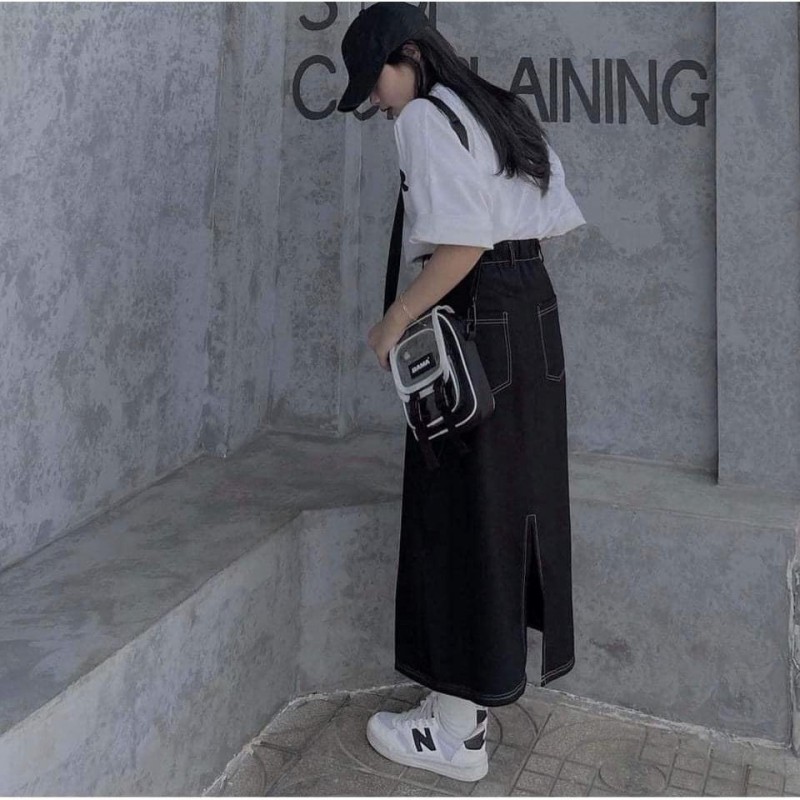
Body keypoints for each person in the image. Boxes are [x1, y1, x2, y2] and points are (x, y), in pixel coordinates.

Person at [337, 2, 586, 784]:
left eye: (374, 81)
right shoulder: (497, 105)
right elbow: (545, 221)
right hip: (531, 314)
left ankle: (454, 735)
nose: (375, 100)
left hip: (478, 311)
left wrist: (396, 320)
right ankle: (463, 706)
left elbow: (464, 245)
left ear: (408, 57)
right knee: (506, 508)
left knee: (458, 512)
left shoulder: (424, 117)